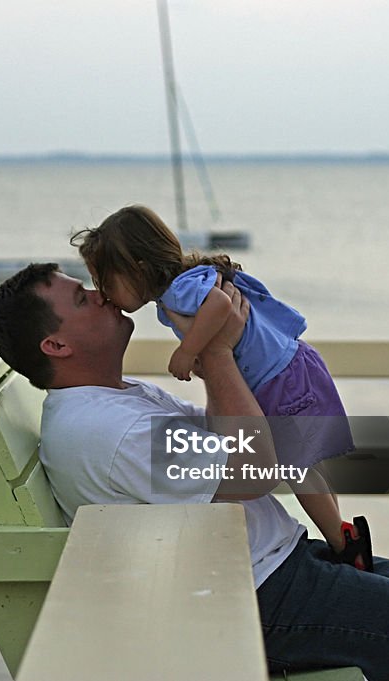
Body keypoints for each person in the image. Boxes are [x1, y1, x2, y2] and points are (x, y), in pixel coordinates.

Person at [0, 262, 389, 681]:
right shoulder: (106, 431)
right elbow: (256, 467)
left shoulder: (115, 400)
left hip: (272, 562)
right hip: (254, 594)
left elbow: (232, 440)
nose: (99, 293)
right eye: (81, 298)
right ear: (56, 345)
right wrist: (216, 353)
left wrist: (242, 353)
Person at [70, 205, 368, 569]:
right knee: (305, 464)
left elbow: (221, 305)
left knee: (295, 467)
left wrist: (187, 350)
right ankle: (343, 537)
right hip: (287, 369)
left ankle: (343, 546)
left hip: (278, 377)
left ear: (136, 268)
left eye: (105, 280)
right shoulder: (186, 283)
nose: (103, 293)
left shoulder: (180, 290)